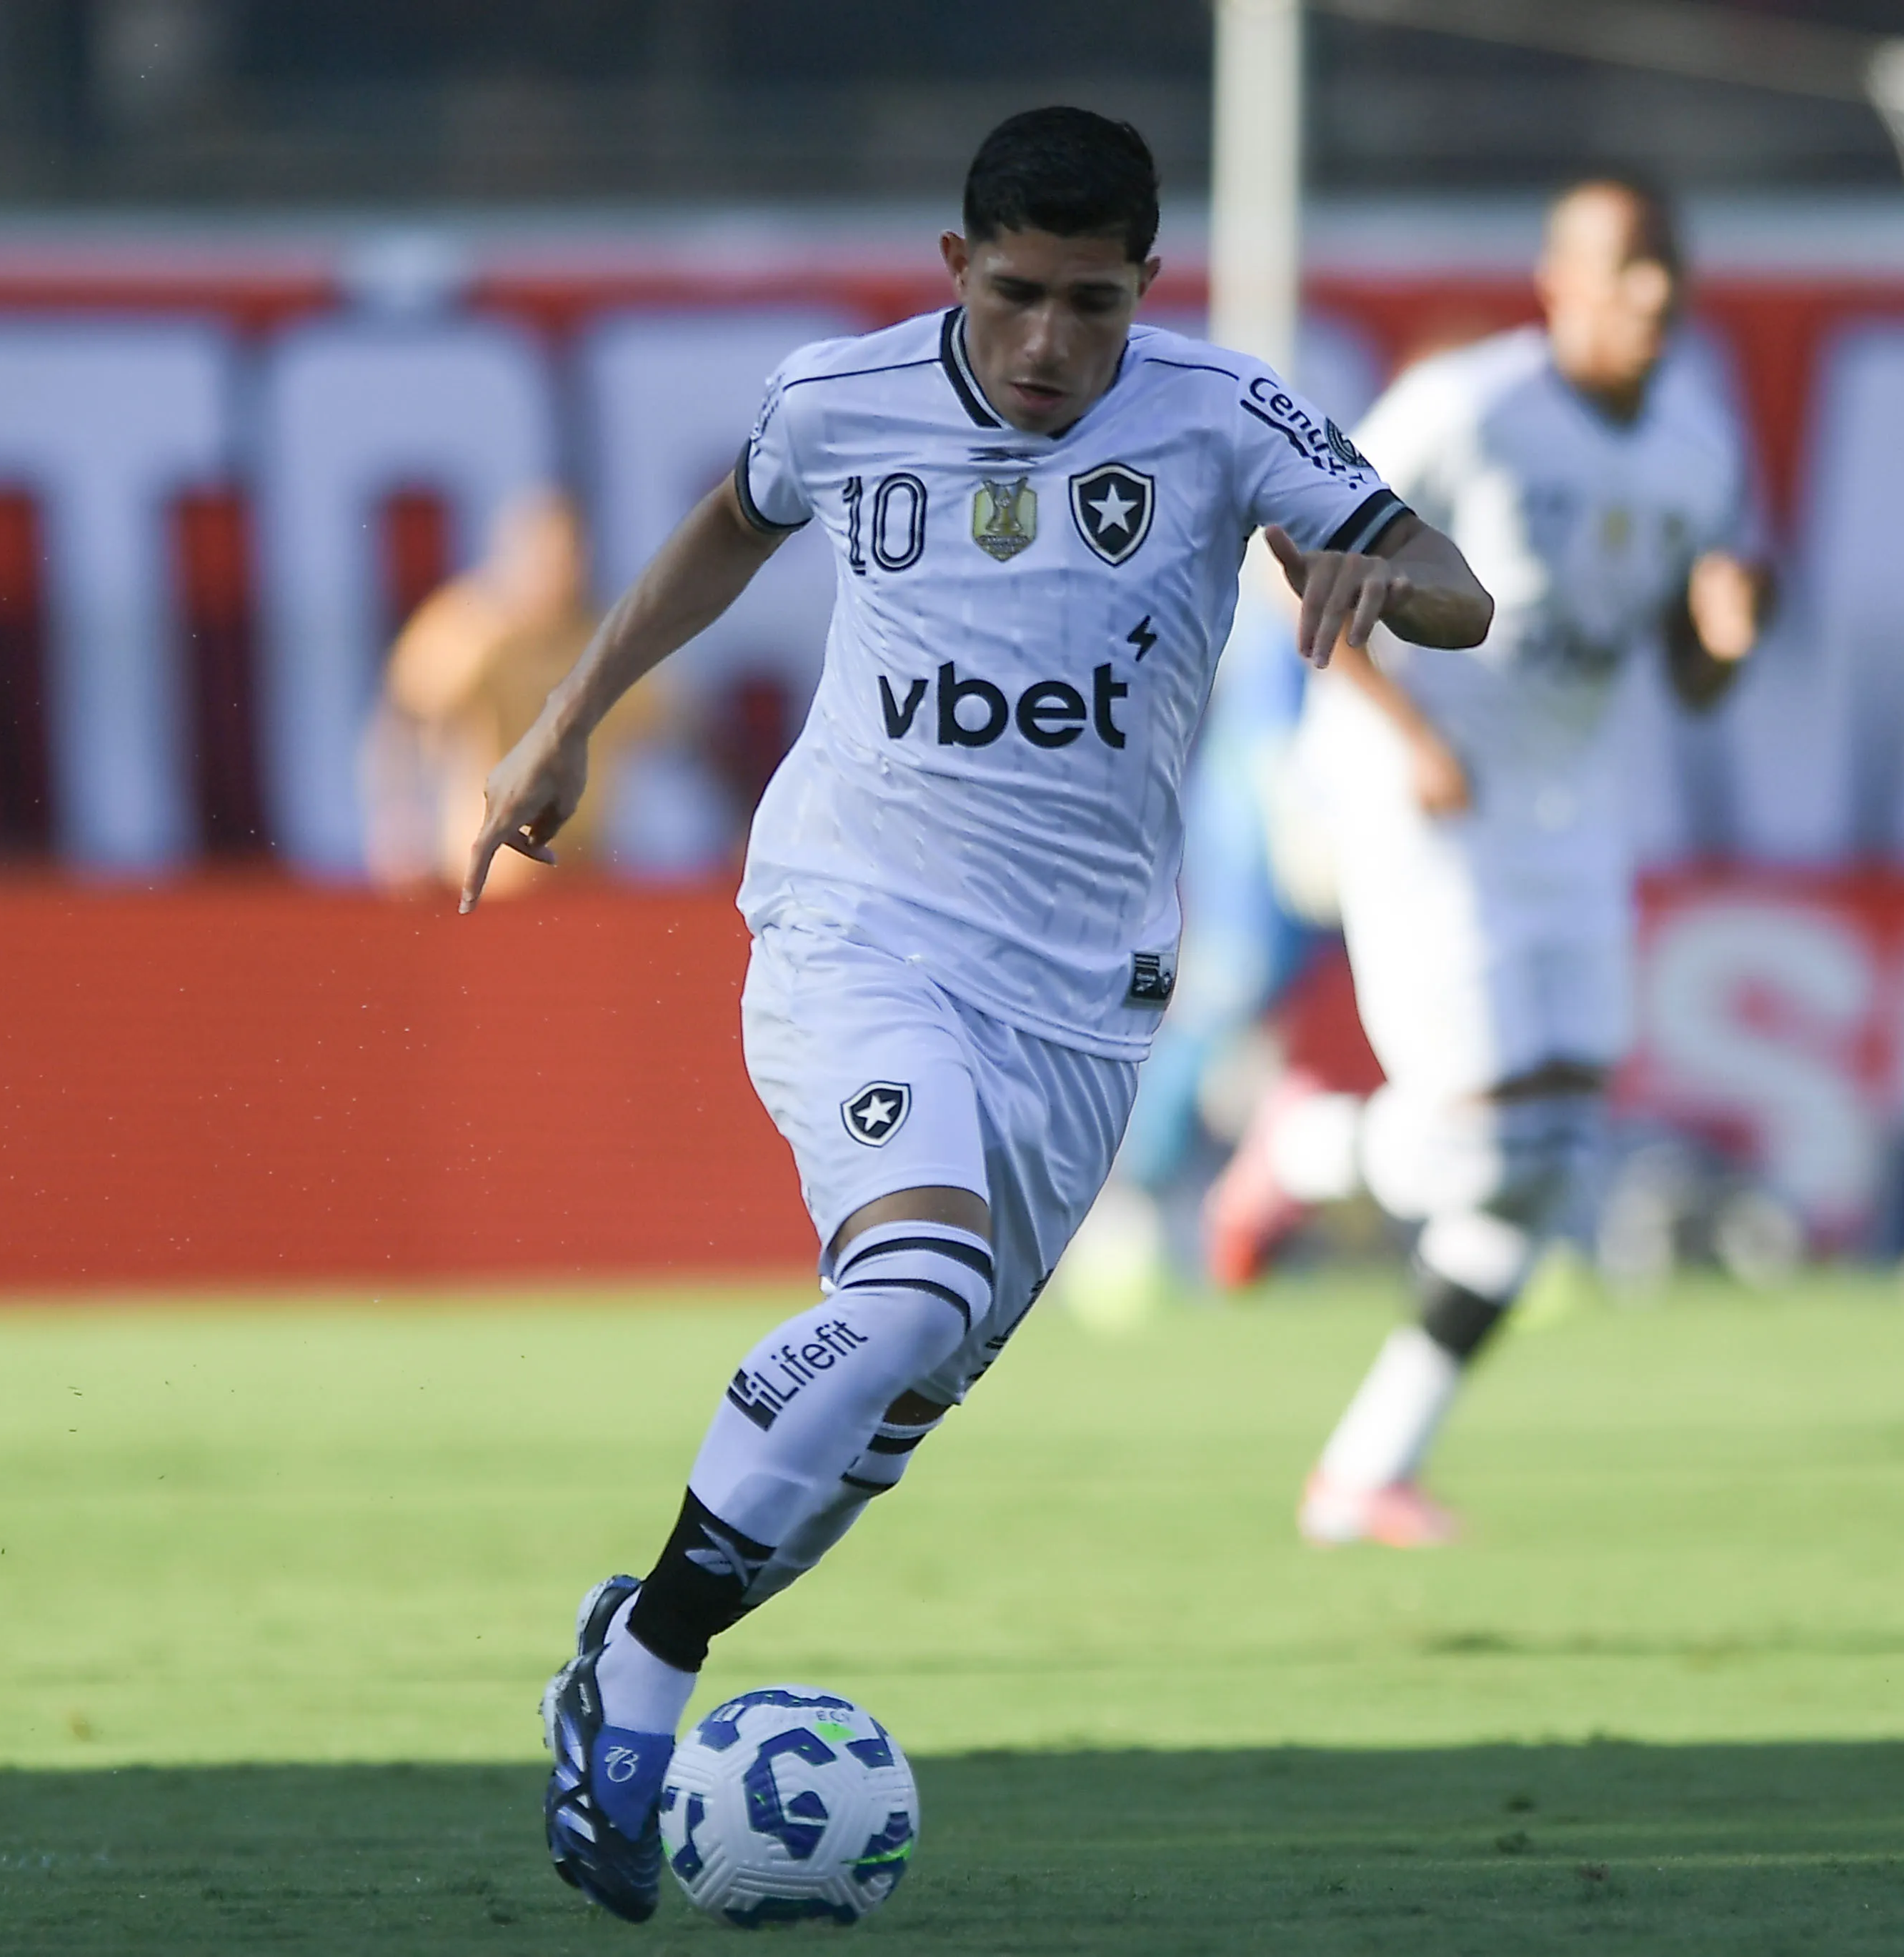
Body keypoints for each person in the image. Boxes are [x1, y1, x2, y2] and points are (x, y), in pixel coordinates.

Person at [459, 107, 1490, 1922]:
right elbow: (728, 525)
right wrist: (569, 719)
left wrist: (1387, 574)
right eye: (1014, 293)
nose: (1045, 342)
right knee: (910, 1290)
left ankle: (647, 1623)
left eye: (1090, 305)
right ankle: (641, 1664)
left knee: (880, 1420)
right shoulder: (838, 396)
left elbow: (1457, 590)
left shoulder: (1222, 413)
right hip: (858, 929)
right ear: (956, 267)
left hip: (1081, 1011)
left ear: (1143, 287)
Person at [1205, 177, 1774, 1548]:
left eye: (1666, 265)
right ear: (1558, 281)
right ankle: (1303, 1144)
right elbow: (1294, 552)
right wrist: (1405, 731)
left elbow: (1690, 678)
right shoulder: (1470, 406)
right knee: (1497, 1138)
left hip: (1571, 808)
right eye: (1622, 267)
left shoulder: (1700, 443)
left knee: (1551, 1160)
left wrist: (1730, 631)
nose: (1651, 293)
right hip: (1421, 791)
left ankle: (1364, 1467)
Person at [362, 491, 657, 896]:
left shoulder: (605, 639)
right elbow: (403, 721)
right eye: (542, 557)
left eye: (566, 557)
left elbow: (681, 731)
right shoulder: (470, 628)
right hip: (491, 876)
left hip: (586, 870)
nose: (555, 571)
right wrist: (398, 818)